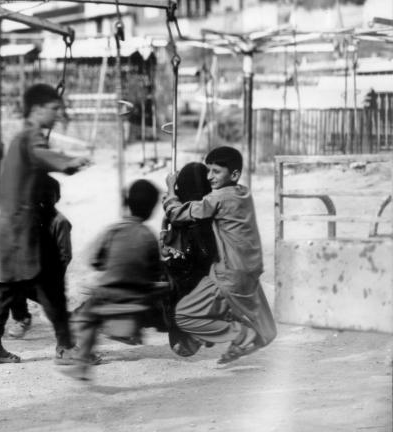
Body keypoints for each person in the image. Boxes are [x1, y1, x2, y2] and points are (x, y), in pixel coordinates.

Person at [0, 83, 91, 365]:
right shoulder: (30, 137)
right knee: (50, 289)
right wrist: (70, 161)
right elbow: (43, 154)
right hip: (23, 230)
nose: (57, 115)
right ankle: (66, 348)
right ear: (37, 109)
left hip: (11, 227)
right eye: (53, 109)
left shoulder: (20, 139)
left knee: (4, 287)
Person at [162, 146, 277, 365]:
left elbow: (177, 214)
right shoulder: (243, 193)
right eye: (208, 171)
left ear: (233, 175)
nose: (209, 177)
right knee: (229, 303)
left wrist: (170, 191)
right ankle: (242, 337)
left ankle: (240, 334)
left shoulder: (218, 199)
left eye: (216, 172)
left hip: (228, 274)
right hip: (249, 269)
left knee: (184, 315)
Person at [69, 179, 164, 381]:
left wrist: (106, 266)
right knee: (158, 289)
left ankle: (83, 360)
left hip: (109, 294)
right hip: (139, 296)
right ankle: (131, 330)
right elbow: (155, 269)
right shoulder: (149, 235)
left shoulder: (113, 230)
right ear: (151, 210)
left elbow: (93, 259)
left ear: (127, 204)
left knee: (86, 318)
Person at [160, 161, 218, 356]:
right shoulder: (211, 204)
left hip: (187, 266)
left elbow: (173, 214)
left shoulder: (187, 211)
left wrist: (170, 188)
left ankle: (187, 336)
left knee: (170, 288)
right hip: (207, 267)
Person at [5, 175, 72, 340]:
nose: (45, 198)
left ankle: (71, 326)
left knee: (55, 308)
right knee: (13, 283)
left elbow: (65, 254)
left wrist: (55, 277)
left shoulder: (60, 222)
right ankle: (22, 318)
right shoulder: (31, 219)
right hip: (31, 273)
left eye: (50, 194)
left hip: (50, 276)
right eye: (41, 194)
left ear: (58, 197)